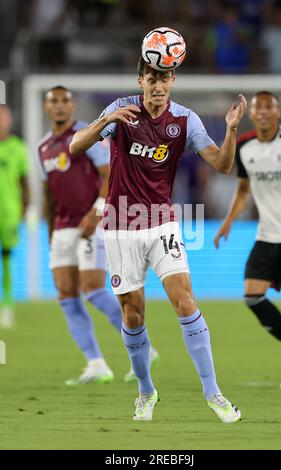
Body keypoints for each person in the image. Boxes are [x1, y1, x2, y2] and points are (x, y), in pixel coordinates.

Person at [70, 57, 247, 422]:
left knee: (184, 300)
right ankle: (145, 391)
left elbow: (224, 165)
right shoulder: (121, 110)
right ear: (141, 80)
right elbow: (74, 147)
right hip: (119, 226)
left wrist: (230, 130)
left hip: (161, 223)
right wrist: (105, 122)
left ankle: (213, 392)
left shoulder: (185, 120)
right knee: (133, 315)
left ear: (173, 81)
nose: (158, 85)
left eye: (164, 78)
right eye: (152, 78)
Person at [38, 86, 159, 385]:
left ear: (73, 105)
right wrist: (50, 230)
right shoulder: (43, 147)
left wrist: (96, 212)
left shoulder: (88, 136)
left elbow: (109, 174)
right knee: (66, 294)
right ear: (46, 107)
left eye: (66, 100)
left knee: (92, 288)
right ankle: (96, 364)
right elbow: (48, 194)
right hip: (63, 228)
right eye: (54, 102)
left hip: (91, 222)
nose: (60, 106)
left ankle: (144, 344)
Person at [214, 91, 281, 390]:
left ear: (278, 113)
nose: (263, 112)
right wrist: (227, 222)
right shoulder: (245, 146)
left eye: (269, 108)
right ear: (251, 114)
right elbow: (242, 191)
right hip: (267, 234)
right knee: (252, 295)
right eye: (258, 108)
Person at [0, 105, 29, 328]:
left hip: (9, 213)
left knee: (7, 260)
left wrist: (25, 211)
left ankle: (7, 306)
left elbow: (24, 183)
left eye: (4, 118)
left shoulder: (18, 148)